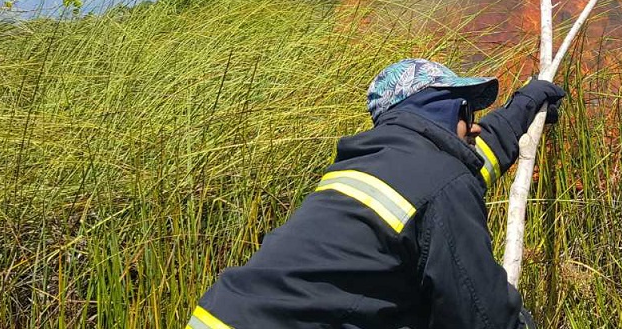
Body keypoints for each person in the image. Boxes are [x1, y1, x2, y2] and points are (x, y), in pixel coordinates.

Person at [187, 58, 567, 329]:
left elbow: (475, 158)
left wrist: (526, 105)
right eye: (467, 111)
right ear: (442, 108)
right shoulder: (440, 178)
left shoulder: (377, 162)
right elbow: (478, 314)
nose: (476, 128)